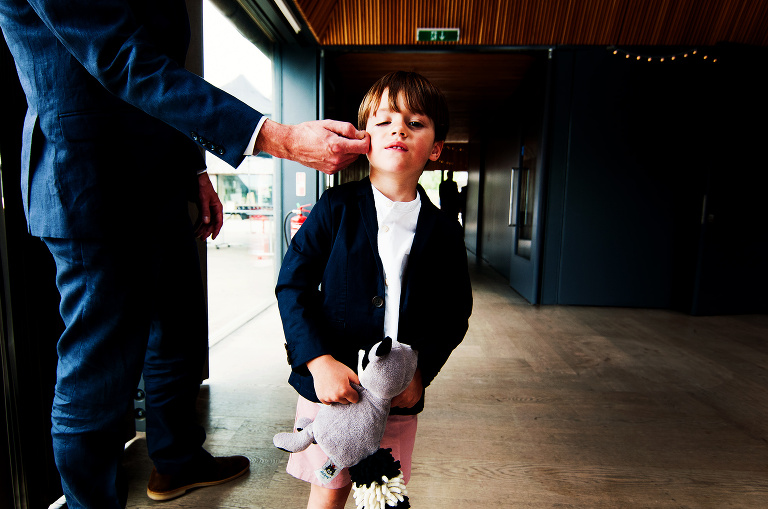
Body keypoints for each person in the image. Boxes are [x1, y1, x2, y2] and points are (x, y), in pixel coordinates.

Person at [0, 1, 369, 508]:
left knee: (177, 337)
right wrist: (276, 138)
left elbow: (161, 68)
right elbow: (121, 59)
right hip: (92, 185)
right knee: (98, 374)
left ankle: (176, 463)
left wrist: (194, 171)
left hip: (160, 184)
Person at [275, 71, 473, 509]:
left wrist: (423, 372)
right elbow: (293, 285)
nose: (398, 129)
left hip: (395, 397)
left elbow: (455, 311)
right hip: (331, 389)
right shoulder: (335, 209)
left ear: (436, 148)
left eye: (415, 123)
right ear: (365, 139)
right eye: (384, 122)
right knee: (327, 495)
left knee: (382, 497)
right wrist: (318, 361)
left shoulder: (443, 231)